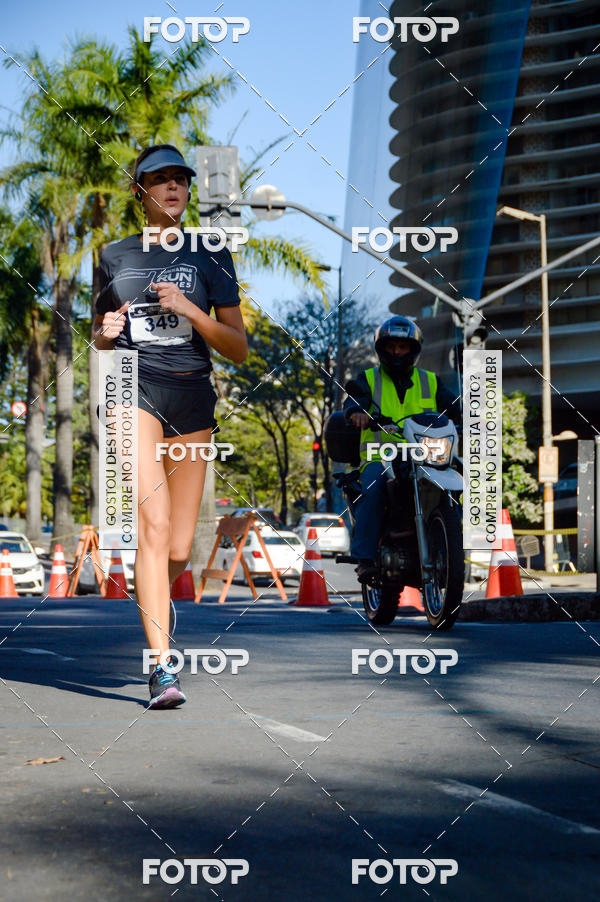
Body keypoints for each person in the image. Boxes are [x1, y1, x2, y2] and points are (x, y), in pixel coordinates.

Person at [93, 144, 247, 708]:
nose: (173, 187)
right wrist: (106, 334)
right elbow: (99, 332)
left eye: (180, 178)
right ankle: (161, 667)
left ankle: (157, 593)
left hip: (191, 401)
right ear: (141, 191)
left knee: (178, 544)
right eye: (159, 179)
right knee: (153, 528)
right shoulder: (112, 256)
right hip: (133, 391)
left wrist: (191, 310)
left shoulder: (212, 252)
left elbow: (239, 349)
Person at [343, 316, 460, 581]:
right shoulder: (369, 378)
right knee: (374, 487)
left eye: (403, 347)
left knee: (457, 482)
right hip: (380, 456)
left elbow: (453, 406)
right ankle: (365, 557)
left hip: (426, 456)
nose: (397, 352)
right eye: (392, 346)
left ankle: (452, 540)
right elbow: (353, 399)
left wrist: (470, 416)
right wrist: (356, 413)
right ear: (382, 349)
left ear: (413, 349)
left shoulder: (431, 380)